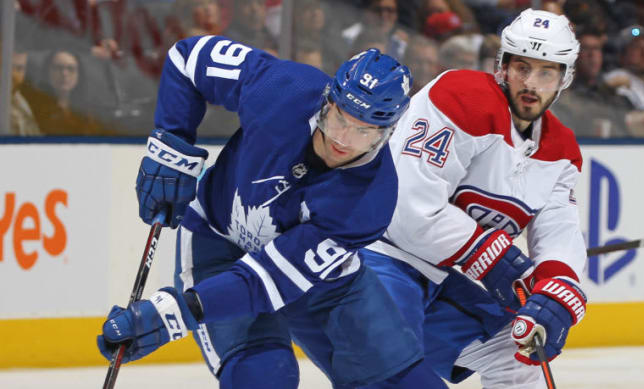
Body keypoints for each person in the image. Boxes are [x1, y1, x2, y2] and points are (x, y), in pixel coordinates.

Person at [95, 37, 438, 389]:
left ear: (387, 133)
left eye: (364, 131)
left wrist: (175, 313)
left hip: (322, 281)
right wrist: (171, 146)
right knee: (264, 378)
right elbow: (188, 60)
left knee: (406, 383)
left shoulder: (370, 200)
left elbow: (265, 281)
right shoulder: (282, 88)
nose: (343, 140)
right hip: (219, 243)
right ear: (328, 101)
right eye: (339, 119)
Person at [359, 8, 588, 388]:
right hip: (374, 256)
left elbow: (559, 231)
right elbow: (403, 207)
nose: (531, 83)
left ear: (564, 78)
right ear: (502, 66)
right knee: (394, 372)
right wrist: (494, 257)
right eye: (522, 68)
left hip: (435, 278)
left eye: (546, 72)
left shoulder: (561, 150)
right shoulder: (461, 97)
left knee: (517, 361)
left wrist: (557, 289)